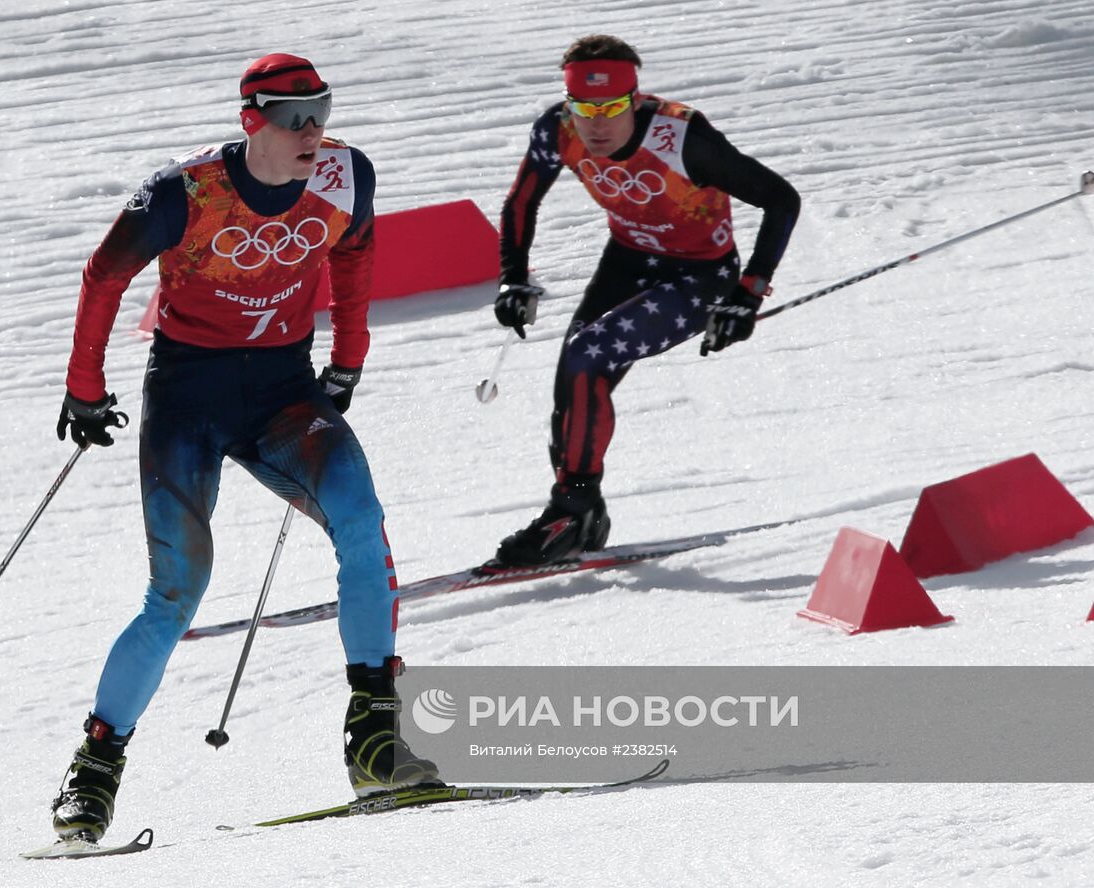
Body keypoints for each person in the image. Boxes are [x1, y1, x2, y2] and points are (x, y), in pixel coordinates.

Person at [49, 53, 438, 843]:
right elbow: (104, 275)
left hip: (284, 393)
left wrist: (351, 356)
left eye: (324, 111)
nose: (315, 130)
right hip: (188, 399)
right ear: (251, 120)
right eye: (297, 117)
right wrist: (83, 386)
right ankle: (93, 772)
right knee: (177, 593)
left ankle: (375, 745)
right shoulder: (184, 192)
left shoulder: (345, 175)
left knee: (364, 527)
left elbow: (356, 255)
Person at [492, 35, 801, 566]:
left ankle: (573, 510)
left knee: (589, 355)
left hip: (701, 275)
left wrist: (748, 292)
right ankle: (579, 513)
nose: (596, 123)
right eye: (583, 107)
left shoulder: (683, 138)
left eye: (611, 106)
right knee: (575, 377)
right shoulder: (557, 130)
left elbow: (781, 199)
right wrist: (513, 277)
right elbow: (522, 202)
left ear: (634, 99)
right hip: (628, 261)